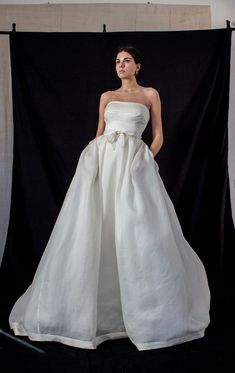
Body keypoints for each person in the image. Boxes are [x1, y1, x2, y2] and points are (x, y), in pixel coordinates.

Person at [9, 46, 210, 351]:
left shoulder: (150, 94)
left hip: (133, 164)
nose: (120, 65)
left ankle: (147, 315)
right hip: (104, 162)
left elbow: (158, 135)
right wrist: (91, 160)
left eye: (126, 60)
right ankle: (92, 315)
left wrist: (145, 158)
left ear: (138, 66)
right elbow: (99, 134)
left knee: (136, 231)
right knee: (96, 227)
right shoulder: (106, 96)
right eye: (117, 61)